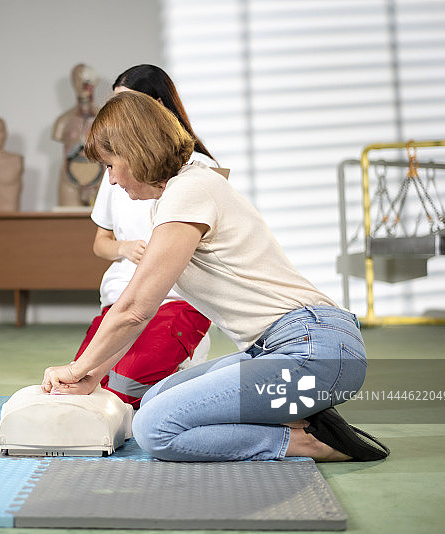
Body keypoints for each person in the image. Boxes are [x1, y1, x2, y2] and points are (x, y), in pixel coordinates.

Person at [42, 91, 389, 463]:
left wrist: (77, 369)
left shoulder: (190, 190)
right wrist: (93, 374)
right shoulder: (179, 194)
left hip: (313, 350)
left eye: (111, 165)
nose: (110, 180)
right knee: (155, 398)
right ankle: (300, 418)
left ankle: (305, 441)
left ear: (135, 151)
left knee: (154, 429)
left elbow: (134, 309)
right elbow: (140, 310)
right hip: (281, 349)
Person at [74, 65, 214, 409]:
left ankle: (180, 362)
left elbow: (142, 306)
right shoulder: (117, 170)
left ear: (156, 108)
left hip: (170, 301)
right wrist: (123, 248)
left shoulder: (195, 175)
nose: (111, 179)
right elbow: (103, 244)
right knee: (82, 393)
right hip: (123, 300)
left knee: (121, 395)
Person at [52, 63, 104, 207]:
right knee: (68, 219)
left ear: (95, 81)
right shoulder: (63, 121)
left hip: (99, 177)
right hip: (70, 178)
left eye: (86, 78)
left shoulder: (105, 119)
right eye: (77, 79)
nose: (82, 84)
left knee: (104, 220)